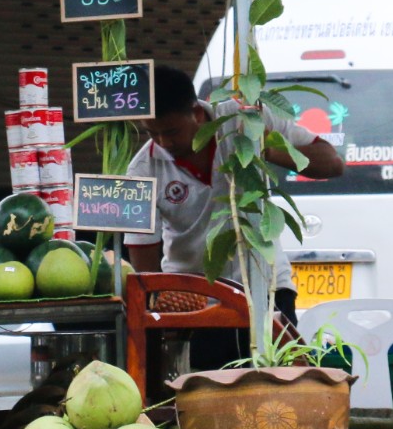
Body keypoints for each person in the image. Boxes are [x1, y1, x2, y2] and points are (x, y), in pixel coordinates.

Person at [123, 64, 343, 337]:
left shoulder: (246, 121)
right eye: (152, 133)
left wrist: (267, 149)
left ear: (196, 113)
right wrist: (160, 308)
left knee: (277, 376)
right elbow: (143, 258)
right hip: (192, 299)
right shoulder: (141, 170)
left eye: (171, 131)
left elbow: (332, 164)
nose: (163, 142)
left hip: (267, 284)